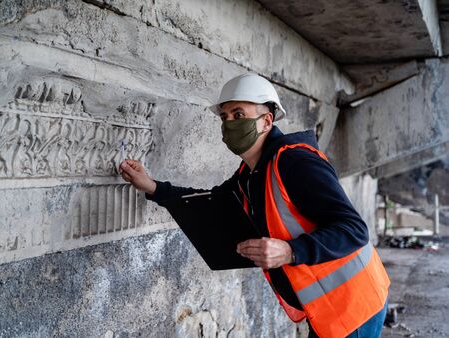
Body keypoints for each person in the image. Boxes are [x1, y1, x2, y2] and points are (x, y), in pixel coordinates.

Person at [119, 73, 390, 338]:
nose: (229, 124)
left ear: (266, 121)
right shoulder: (252, 173)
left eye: (239, 115)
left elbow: (354, 229)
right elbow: (212, 203)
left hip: (353, 304)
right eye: (224, 117)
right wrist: (153, 187)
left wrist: (290, 251)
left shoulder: (295, 162)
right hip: (328, 306)